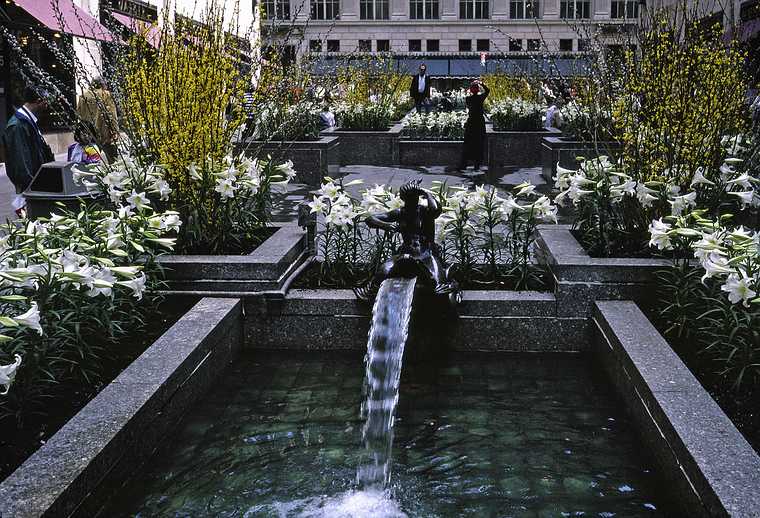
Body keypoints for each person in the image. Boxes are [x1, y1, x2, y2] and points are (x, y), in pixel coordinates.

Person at [355, 179, 459, 304]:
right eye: (408, 199)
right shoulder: (400, 213)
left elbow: (436, 210)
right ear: (404, 199)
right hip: (406, 253)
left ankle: (453, 285)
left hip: (426, 254)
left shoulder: (424, 211)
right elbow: (370, 219)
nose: (412, 202)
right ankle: (370, 294)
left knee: (440, 286)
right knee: (383, 272)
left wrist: (426, 193)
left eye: (414, 197)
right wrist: (385, 225)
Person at [1, 86, 54, 215]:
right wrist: (34, 190)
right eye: (45, 101)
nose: (47, 105)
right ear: (38, 101)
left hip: (36, 186)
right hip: (32, 191)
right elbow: (21, 165)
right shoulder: (18, 126)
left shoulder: (27, 122)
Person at [76, 78, 119, 161]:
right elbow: (112, 115)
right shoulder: (105, 94)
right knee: (114, 161)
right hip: (105, 133)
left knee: (91, 160)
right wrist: (115, 130)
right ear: (102, 85)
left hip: (89, 134)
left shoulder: (83, 96)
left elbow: (79, 114)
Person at [459, 79, 490, 171]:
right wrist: (481, 83)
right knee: (479, 143)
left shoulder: (468, 99)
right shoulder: (480, 98)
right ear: (478, 90)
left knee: (469, 143)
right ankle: (477, 164)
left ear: (471, 90)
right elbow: (487, 91)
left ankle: (465, 163)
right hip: (479, 123)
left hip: (471, 122)